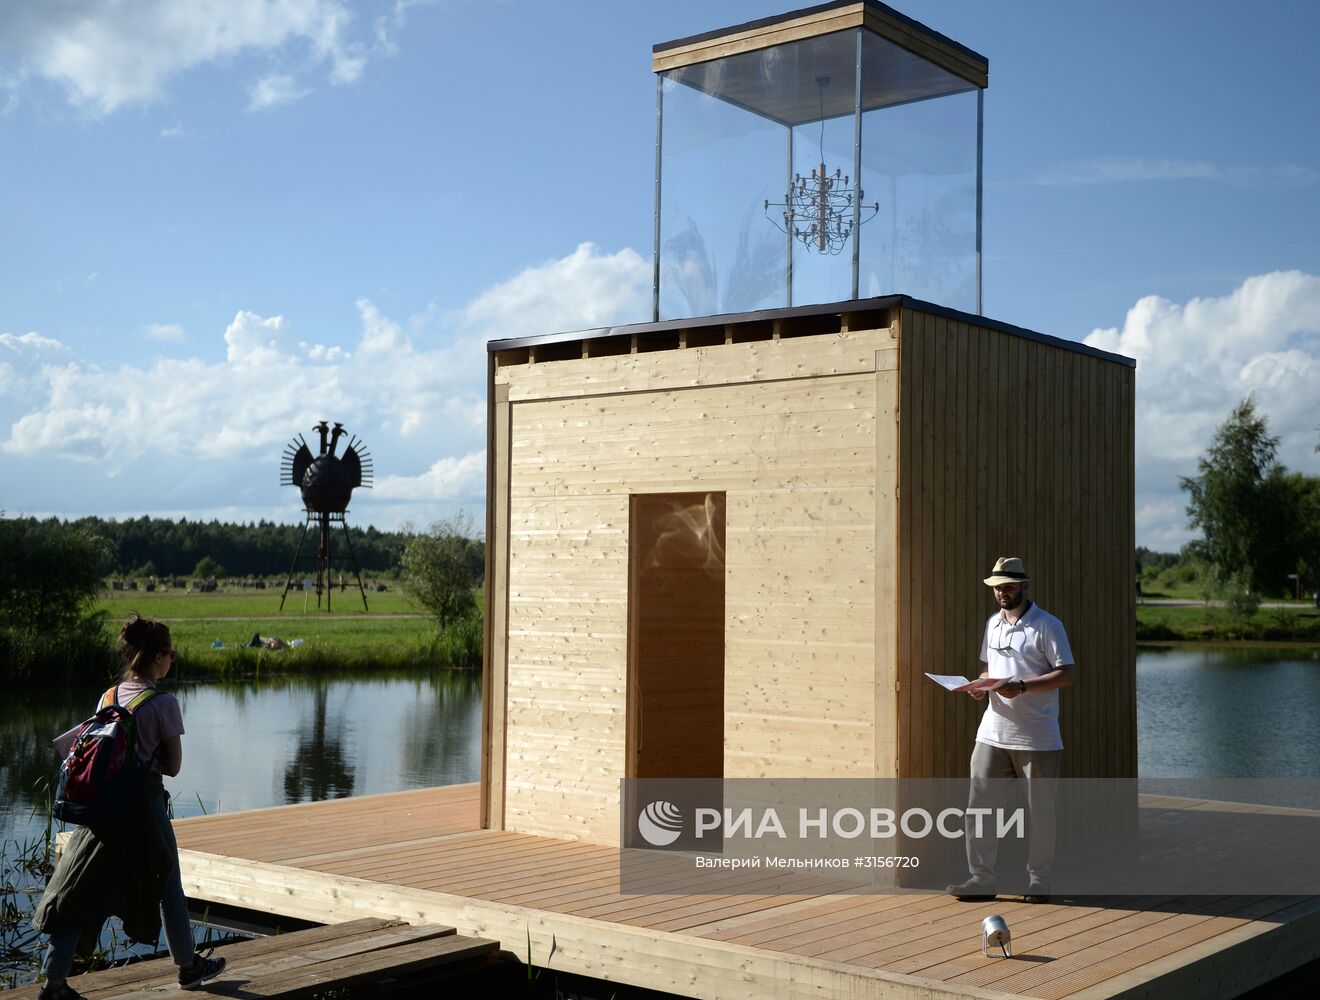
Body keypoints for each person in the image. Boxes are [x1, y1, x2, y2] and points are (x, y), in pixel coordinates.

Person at [33, 614, 226, 999]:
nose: (172, 660)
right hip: (143, 810)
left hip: (100, 812)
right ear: (157, 657)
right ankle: (188, 968)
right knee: (170, 887)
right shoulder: (163, 702)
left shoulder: (108, 696)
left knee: (79, 891)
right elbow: (172, 767)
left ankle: (53, 984)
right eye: (170, 654)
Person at [946, 557, 1075, 904]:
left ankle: (1039, 881)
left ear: (1024, 585)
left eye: (1009, 586)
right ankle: (980, 879)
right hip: (992, 733)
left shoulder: (1048, 626)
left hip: (1038, 737)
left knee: (1040, 813)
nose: (1002, 592)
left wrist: (1021, 686)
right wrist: (980, 687)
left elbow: (1066, 674)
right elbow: (990, 668)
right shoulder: (993, 624)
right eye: (997, 587)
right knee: (979, 808)